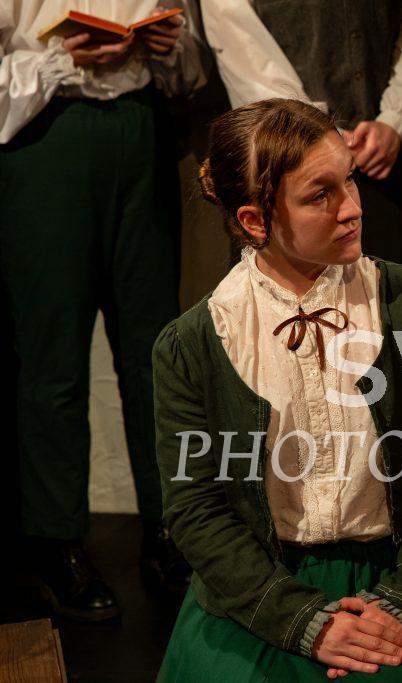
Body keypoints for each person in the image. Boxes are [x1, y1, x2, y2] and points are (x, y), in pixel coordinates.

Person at [154, 98, 402, 681]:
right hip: (258, 586)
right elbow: (195, 508)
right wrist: (303, 621)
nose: (352, 208)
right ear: (255, 221)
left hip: (394, 577)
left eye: (349, 180)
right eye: (320, 195)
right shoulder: (194, 343)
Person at [0, 0, 206, 620]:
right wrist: (57, 60)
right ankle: (57, 541)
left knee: (154, 348)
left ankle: (168, 528)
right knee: (54, 354)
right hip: (47, 132)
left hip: (141, 126)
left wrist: (171, 46)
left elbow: (191, 64)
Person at [199, 0, 402, 265]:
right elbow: (241, 45)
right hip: (290, 163)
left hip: (381, 155)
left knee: (386, 278)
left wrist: (395, 120)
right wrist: (323, 137)